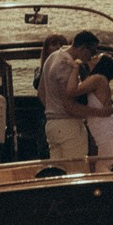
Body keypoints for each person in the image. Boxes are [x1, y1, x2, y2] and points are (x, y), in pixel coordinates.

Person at [37, 32, 89, 165]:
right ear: (83, 48)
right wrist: (100, 112)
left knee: (59, 172)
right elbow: (69, 105)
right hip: (68, 126)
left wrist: (53, 110)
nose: (91, 56)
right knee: (76, 171)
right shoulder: (64, 66)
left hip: (52, 126)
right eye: (91, 51)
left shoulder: (51, 58)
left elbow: (41, 92)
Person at [79, 53, 113, 160]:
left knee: (109, 167)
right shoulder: (94, 81)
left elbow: (72, 92)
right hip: (107, 132)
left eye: (97, 58)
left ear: (101, 64)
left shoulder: (98, 79)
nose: (93, 58)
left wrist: (74, 67)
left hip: (108, 134)